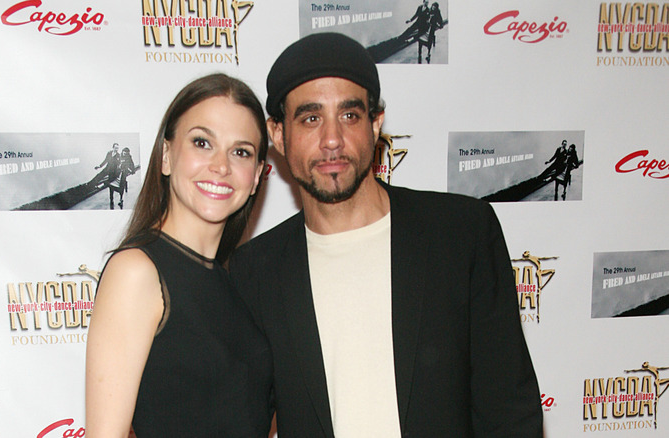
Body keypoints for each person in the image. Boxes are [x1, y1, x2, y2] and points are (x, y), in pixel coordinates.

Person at [229, 32, 543, 437]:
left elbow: (509, 412)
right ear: (278, 134)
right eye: (310, 118)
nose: (331, 139)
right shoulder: (254, 271)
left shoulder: (461, 233)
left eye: (349, 115)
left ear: (376, 123)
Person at [85, 73, 272, 437]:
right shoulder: (138, 272)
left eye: (241, 152)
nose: (221, 165)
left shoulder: (237, 283)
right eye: (202, 143)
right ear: (167, 156)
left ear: (255, 178)